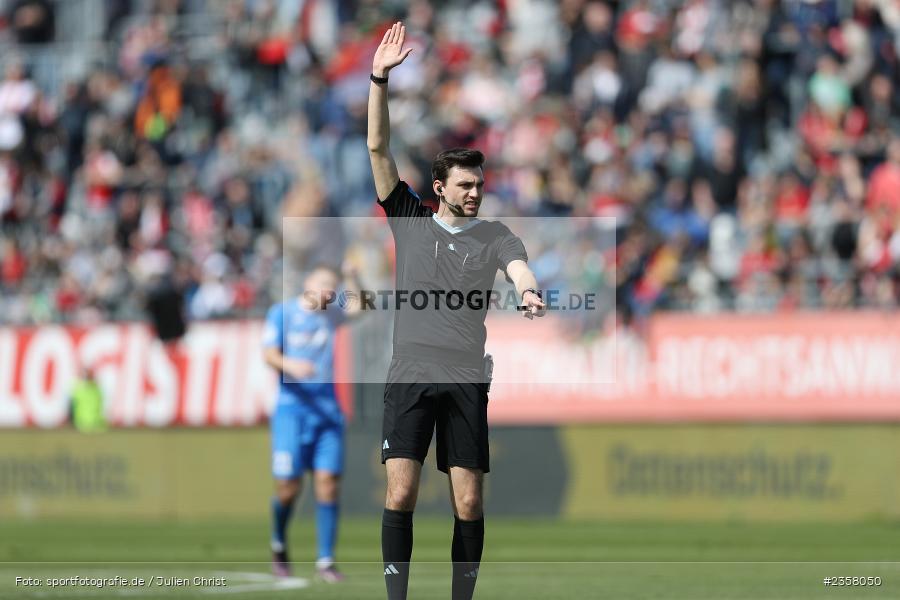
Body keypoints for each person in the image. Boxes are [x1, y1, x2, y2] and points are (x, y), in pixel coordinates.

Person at [367, 22, 546, 600]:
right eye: (465, 185)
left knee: (468, 499)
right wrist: (378, 80)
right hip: (412, 370)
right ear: (439, 187)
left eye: (480, 184)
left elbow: (519, 265)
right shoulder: (411, 220)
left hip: (467, 374)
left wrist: (528, 290)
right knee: (401, 493)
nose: (476, 192)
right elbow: (377, 147)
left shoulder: (494, 234)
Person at [262, 262, 362, 583]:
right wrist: (291, 364)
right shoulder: (282, 312)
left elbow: (360, 306)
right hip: (292, 412)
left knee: (328, 484)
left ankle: (326, 560)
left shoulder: (331, 314)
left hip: (327, 413)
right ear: (307, 282)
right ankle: (278, 543)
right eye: (323, 284)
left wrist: (353, 277)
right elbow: (268, 354)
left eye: (332, 287)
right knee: (288, 487)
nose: (328, 291)